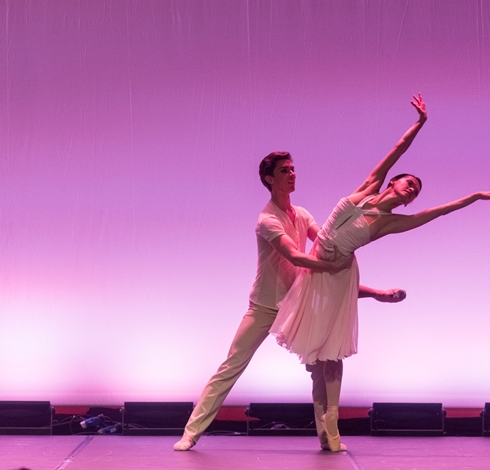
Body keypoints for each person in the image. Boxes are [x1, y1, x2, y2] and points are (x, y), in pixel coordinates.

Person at [270, 93, 490, 451]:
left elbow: (438, 212)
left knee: (331, 355)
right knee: (315, 360)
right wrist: (419, 124)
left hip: (337, 274)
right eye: (408, 183)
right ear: (392, 182)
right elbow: (397, 150)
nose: (412, 190)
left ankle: (331, 423)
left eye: (415, 191)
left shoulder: (392, 223)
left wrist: (473, 196)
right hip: (315, 267)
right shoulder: (368, 188)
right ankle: (324, 424)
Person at [173, 151, 406, 451]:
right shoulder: (267, 220)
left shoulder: (303, 214)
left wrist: (373, 286)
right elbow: (296, 256)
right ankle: (191, 432)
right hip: (265, 306)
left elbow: (328, 245)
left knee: (323, 365)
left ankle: (328, 437)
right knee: (232, 365)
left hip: (299, 303)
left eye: (293, 169)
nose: (292, 174)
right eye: (285, 170)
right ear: (270, 179)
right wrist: (333, 264)